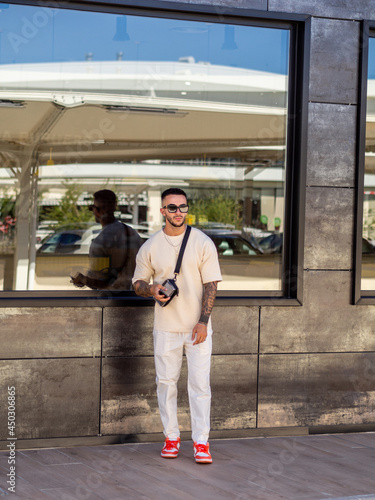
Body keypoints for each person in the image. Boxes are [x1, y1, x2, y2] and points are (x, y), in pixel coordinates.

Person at [132, 187, 222, 464]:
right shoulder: (150, 246)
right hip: (165, 328)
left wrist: (204, 322)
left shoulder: (203, 242)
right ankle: (171, 437)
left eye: (182, 207)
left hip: (197, 328)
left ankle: (201, 443)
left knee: (199, 386)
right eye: (172, 208)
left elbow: (211, 285)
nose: (179, 212)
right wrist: (152, 289)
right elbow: (137, 285)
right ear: (163, 211)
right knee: (166, 384)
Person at [71, 189, 143, 290]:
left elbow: (99, 281)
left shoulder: (101, 242)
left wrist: (82, 280)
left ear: (98, 211)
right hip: (134, 297)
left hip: (112, 300)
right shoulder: (131, 233)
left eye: (92, 208)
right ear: (114, 207)